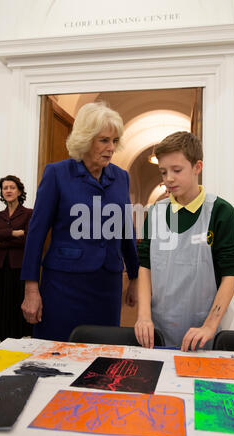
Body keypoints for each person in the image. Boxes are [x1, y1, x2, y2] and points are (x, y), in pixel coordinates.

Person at [21, 101, 139, 342]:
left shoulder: (121, 177)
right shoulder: (56, 173)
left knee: (103, 355)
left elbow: (126, 230)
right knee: (58, 352)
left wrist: (135, 277)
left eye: (115, 141)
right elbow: (36, 233)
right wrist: (31, 289)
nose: (111, 148)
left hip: (107, 285)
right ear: (86, 139)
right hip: (64, 285)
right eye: (104, 140)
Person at [135, 131, 234, 351]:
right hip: (157, 330)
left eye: (177, 170)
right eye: (163, 171)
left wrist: (209, 326)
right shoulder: (156, 213)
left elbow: (230, 274)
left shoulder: (220, 212)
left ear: (197, 167)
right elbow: (145, 266)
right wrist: (143, 316)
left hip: (204, 333)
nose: (169, 178)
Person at [0, 176, 33, 341]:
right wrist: (12, 233)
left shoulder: (29, 213)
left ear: (19, 191)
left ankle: (15, 346)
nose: (8, 190)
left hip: (17, 267)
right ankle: (1, 345)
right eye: (5, 188)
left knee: (14, 305)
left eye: (12, 187)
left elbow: (27, 238)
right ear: (2, 192)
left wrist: (0, 238)